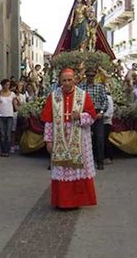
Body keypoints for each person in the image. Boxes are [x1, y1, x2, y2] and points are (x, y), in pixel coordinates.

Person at [41, 68, 97, 209]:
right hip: (59, 137)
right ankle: (62, 201)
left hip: (79, 138)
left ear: (75, 80)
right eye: (64, 80)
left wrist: (81, 116)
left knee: (76, 170)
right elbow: (48, 120)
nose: (67, 83)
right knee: (62, 169)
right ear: (60, 81)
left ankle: (75, 201)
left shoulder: (83, 96)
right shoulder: (53, 96)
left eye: (69, 80)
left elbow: (92, 117)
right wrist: (48, 140)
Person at [79, 67, 108, 170]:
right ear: (86, 76)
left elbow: (105, 100)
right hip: (85, 114)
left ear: (95, 76)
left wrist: (101, 112)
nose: (90, 77)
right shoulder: (81, 87)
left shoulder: (100, 87)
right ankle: (84, 161)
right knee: (84, 139)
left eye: (92, 75)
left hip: (97, 114)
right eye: (88, 75)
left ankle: (100, 161)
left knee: (99, 138)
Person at [0, 79, 18, 157]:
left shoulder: (12, 94)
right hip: (0, 115)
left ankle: (7, 150)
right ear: (2, 85)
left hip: (9, 115)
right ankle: (3, 150)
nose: (7, 86)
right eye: (6, 85)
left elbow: (16, 104)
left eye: (8, 85)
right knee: (2, 134)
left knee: (8, 134)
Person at [103, 91, 114, 165]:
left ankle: (109, 156)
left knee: (105, 138)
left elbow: (110, 109)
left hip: (106, 121)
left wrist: (104, 115)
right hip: (100, 121)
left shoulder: (108, 98)